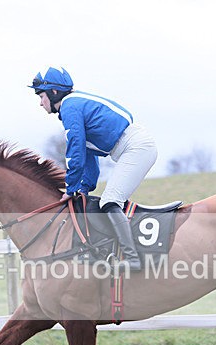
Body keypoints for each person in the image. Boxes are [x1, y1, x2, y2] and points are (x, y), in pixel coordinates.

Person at [28, 66, 157, 271]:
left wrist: (70, 189)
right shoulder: (73, 105)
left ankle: (132, 259)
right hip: (134, 146)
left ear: (53, 93)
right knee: (108, 200)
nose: (39, 102)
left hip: (136, 148)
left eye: (40, 96)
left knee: (110, 200)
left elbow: (76, 149)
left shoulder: (70, 107)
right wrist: (84, 188)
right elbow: (88, 156)